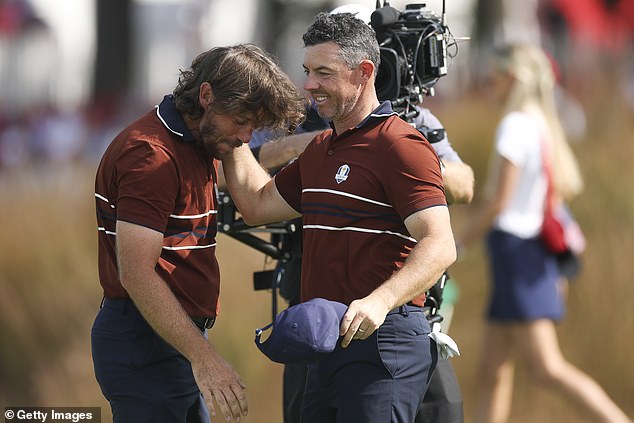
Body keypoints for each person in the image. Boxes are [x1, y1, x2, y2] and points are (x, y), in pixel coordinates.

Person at [221, 12, 456, 423]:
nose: (309, 85)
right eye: (308, 71)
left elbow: (440, 244)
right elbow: (257, 205)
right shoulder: (321, 149)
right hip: (327, 346)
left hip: (383, 340)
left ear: (364, 72)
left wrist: (380, 301)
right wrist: (232, 131)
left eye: (323, 73)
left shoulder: (399, 144)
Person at [91, 44, 306, 423]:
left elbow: (255, 199)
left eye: (253, 126)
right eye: (241, 121)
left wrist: (325, 152)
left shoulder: (201, 137)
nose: (246, 136)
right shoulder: (151, 154)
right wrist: (205, 359)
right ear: (206, 95)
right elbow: (136, 274)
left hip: (169, 337)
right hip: (144, 342)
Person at [456, 43, 632, 423]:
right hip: (529, 251)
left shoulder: (514, 124)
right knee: (493, 369)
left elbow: (498, 200)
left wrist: (458, 243)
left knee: (547, 367)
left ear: (512, 78)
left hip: (517, 254)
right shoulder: (541, 122)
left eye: (492, 78)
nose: (488, 86)